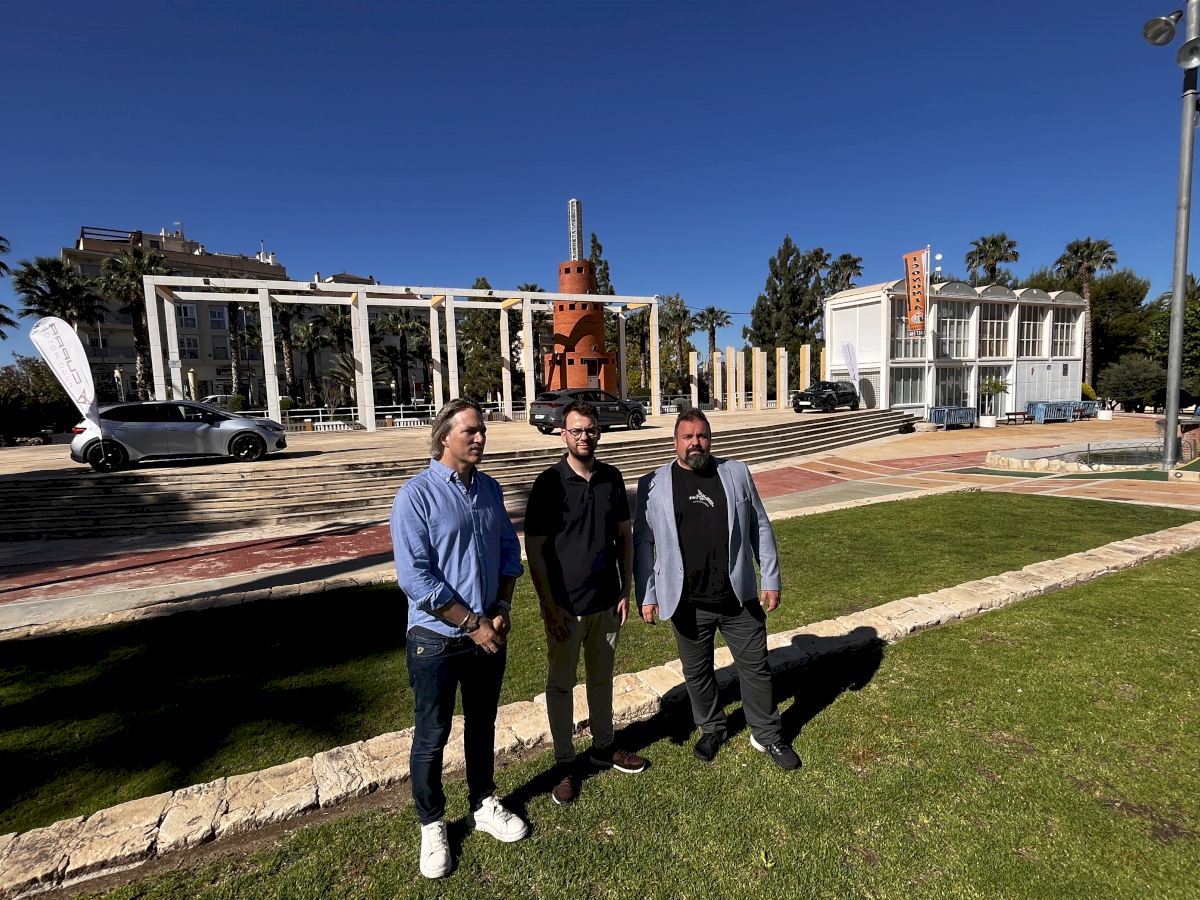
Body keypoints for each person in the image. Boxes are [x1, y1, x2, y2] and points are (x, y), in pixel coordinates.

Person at [391, 398, 530, 880]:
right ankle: (432, 824)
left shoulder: (489, 489)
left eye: (482, 430)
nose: (480, 438)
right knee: (432, 735)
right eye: (471, 430)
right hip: (436, 639)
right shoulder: (415, 496)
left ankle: (483, 802)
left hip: (487, 633)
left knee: (482, 723)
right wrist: (473, 623)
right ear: (444, 437)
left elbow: (510, 552)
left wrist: (502, 608)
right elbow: (416, 579)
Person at [633, 408, 800, 770]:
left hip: (737, 597)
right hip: (686, 600)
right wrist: (647, 594)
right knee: (697, 673)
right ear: (675, 441)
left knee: (755, 668)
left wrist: (770, 577)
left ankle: (767, 734)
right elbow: (643, 543)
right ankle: (712, 728)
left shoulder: (736, 472)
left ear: (710, 439)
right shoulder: (653, 483)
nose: (695, 442)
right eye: (688, 436)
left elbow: (760, 525)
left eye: (702, 435)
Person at [525, 400, 647, 806]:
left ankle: (603, 746)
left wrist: (625, 589)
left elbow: (624, 537)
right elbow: (536, 550)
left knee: (601, 679)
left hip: (606, 603)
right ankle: (564, 763)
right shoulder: (549, 483)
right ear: (563, 434)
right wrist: (549, 605)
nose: (584, 436)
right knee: (561, 685)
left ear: (598, 432)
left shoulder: (611, 478)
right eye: (576, 430)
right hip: (565, 607)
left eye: (590, 429)